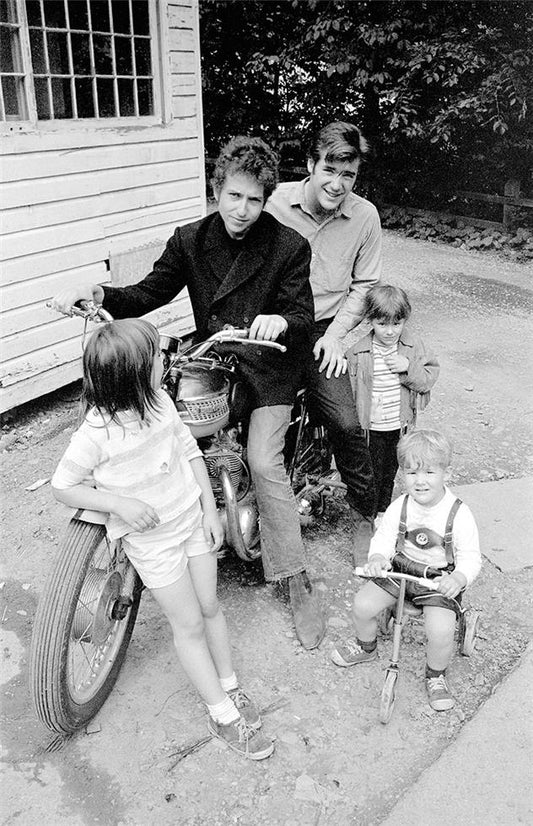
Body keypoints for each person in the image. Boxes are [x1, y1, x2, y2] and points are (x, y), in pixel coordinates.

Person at [50, 136, 326, 651]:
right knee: (173, 438)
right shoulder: (190, 239)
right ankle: (182, 530)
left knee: (264, 462)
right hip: (214, 357)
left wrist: (281, 321)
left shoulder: (289, 246)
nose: (242, 210)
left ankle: (292, 573)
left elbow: (304, 319)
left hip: (268, 366)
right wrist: (99, 294)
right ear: (216, 188)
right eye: (233, 196)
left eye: (255, 200)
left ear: (266, 200)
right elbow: (149, 292)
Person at [51, 319, 275, 759]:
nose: (164, 362)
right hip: (153, 544)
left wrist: (211, 511)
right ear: (132, 375)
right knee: (188, 624)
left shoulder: (160, 403)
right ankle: (221, 713)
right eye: (156, 357)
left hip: (192, 522)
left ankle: (230, 686)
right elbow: (63, 486)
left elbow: (190, 451)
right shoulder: (94, 435)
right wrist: (117, 503)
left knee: (210, 606)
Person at [266, 121, 382, 561]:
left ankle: (364, 512)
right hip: (274, 323)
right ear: (310, 165)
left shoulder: (364, 216)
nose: (337, 184)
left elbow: (365, 284)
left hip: (323, 329)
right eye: (329, 170)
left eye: (348, 174)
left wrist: (336, 337)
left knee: (346, 423)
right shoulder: (275, 203)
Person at [330, 429, 482, 711]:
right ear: (402, 475)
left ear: (446, 474)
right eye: (411, 474)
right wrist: (377, 557)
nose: (420, 481)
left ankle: (436, 675)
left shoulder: (459, 514)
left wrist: (458, 578)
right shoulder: (400, 507)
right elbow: (385, 539)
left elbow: (471, 557)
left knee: (440, 630)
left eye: (429, 473)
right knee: (362, 605)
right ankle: (366, 647)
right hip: (400, 571)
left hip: (437, 580)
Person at [346, 284, 440, 554]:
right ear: (370, 320)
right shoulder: (358, 352)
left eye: (396, 323)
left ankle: (382, 514)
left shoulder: (413, 347)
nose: (390, 331)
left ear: (404, 320)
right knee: (368, 473)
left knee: (390, 471)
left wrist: (407, 368)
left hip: (398, 427)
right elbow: (348, 392)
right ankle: (365, 517)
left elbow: (428, 379)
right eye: (382, 323)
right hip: (370, 427)